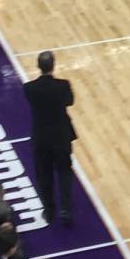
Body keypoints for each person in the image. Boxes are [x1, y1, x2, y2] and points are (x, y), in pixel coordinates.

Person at [24, 51, 78, 229]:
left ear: (38, 66)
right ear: (53, 65)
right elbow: (70, 101)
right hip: (60, 136)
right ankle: (66, 210)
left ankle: (49, 211)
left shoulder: (29, 88)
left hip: (41, 138)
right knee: (64, 173)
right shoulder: (62, 86)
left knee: (44, 176)